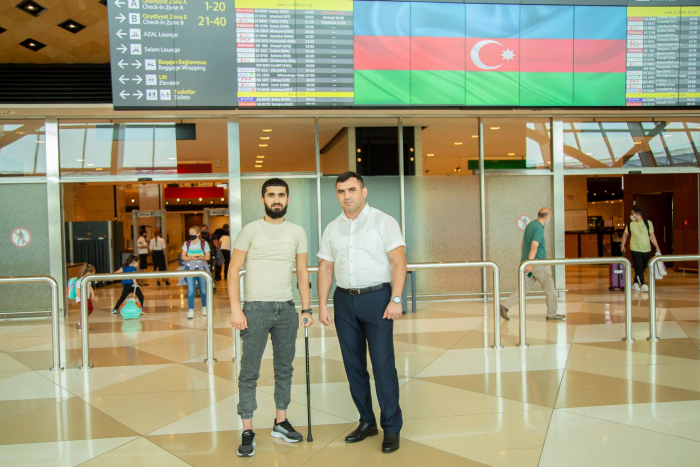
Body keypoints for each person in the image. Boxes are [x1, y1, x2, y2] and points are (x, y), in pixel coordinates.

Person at [317, 172, 406, 454]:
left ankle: (391, 427)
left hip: (378, 299)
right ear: (337, 195)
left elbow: (399, 261)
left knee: (382, 365)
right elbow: (326, 268)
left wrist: (395, 298)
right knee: (353, 366)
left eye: (352, 189)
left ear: (364, 192)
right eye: (341, 191)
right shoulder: (332, 228)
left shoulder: (383, 221)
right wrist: (322, 304)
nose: (347, 196)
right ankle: (367, 421)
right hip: (344, 301)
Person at [229, 178, 313, 458]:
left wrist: (306, 308)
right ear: (262, 199)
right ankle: (247, 428)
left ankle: (280, 421)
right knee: (249, 371)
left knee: (284, 368)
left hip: (286, 309)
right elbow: (232, 270)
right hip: (254, 309)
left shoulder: (297, 232)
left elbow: (302, 273)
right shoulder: (250, 230)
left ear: (287, 199)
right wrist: (235, 308)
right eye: (271, 195)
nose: (276, 199)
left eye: (281, 195)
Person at [499, 208, 565, 321]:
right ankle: (552, 313)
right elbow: (534, 246)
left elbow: (523, 244)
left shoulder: (530, 225)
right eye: (550, 216)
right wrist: (531, 263)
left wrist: (526, 262)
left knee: (523, 287)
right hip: (538, 264)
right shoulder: (539, 228)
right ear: (546, 217)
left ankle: (505, 306)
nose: (550, 218)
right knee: (550, 288)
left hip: (528, 265)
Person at [621, 207, 661, 291]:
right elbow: (625, 235)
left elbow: (652, 236)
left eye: (632, 214)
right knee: (638, 267)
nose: (631, 216)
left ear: (637, 214)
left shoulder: (648, 223)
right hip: (635, 249)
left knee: (642, 268)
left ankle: (635, 283)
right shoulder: (630, 224)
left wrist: (657, 247)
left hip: (646, 249)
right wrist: (622, 245)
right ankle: (642, 284)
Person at [181, 226, 210, 319]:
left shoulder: (204, 243)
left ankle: (205, 308)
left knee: (203, 290)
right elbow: (183, 256)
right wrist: (190, 258)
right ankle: (191, 310)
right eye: (190, 233)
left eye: (193, 233)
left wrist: (202, 257)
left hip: (201, 268)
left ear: (198, 234)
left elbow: (208, 257)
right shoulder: (187, 243)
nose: (191, 235)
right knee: (190, 291)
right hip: (190, 268)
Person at [74, 263, 97, 330]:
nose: (92, 275)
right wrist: (82, 299)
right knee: (85, 311)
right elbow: (77, 292)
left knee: (90, 309)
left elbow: (90, 286)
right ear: (87, 272)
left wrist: (92, 294)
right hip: (81, 299)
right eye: (91, 273)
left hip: (87, 298)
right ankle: (82, 324)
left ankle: (82, 321)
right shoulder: (80, 281)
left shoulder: (87, 279)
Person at [200, 224, 218, 293]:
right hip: (201, 256)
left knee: (210, 270)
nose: (204, 231)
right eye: (202, 230)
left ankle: (212, 285)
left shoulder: (212, 236)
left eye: (205, 229)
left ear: (207, 229)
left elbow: (216, 245)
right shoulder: (199, 237)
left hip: (211, 256)